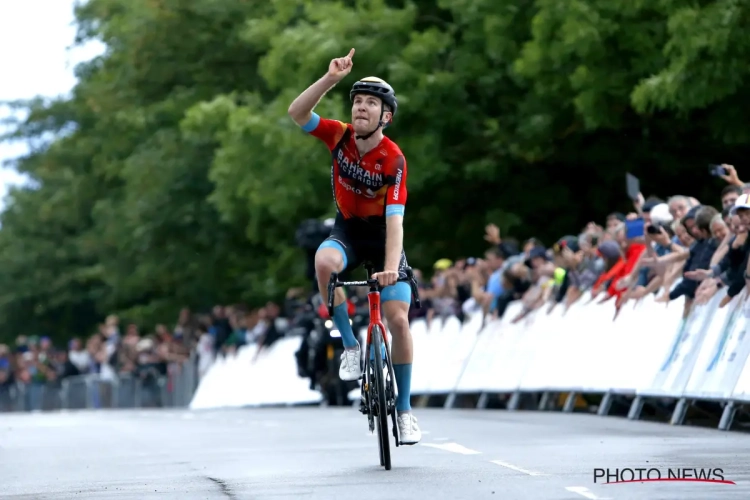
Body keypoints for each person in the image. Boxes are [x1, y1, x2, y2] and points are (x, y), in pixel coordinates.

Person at [287, 48, 421, 444]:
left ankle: (405, 411)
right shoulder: (339, 135)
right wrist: (330, 79)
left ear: (386, 116)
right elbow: (297, 113)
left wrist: (392, 267)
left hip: (383, 239)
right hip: (347, 230)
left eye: (371, 104)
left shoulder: (393, 159)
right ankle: (350, 346)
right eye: (358, 101)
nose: (362, 108)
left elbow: (395, 221)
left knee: (398, 319)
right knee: (324, 261)